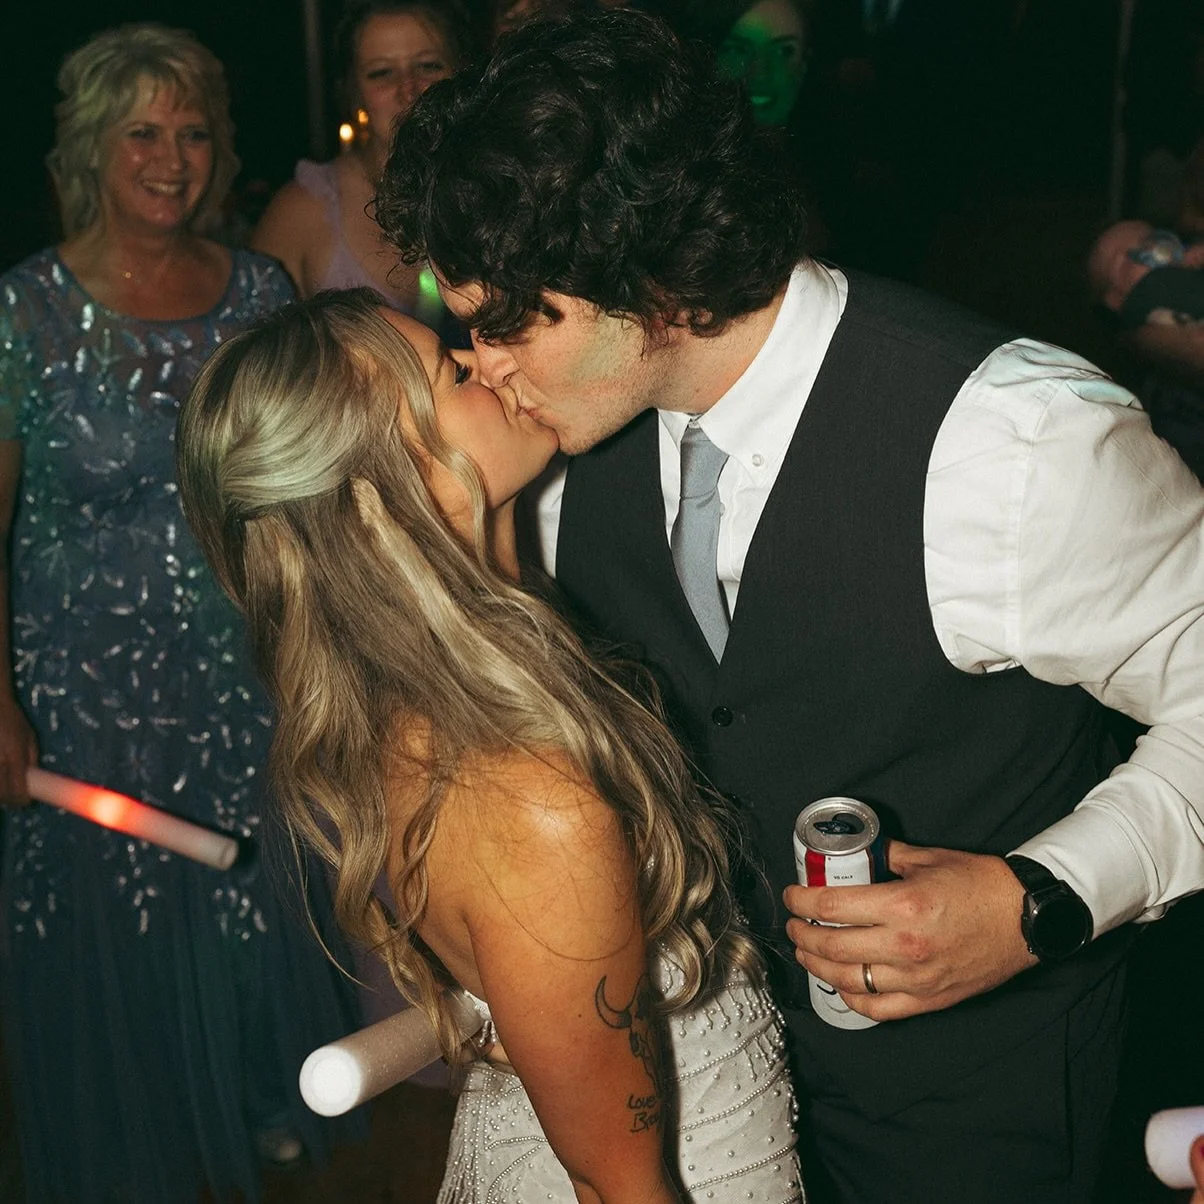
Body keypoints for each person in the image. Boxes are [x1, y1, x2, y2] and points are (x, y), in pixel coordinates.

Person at [374, 10, 1204, 1203]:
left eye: (511, 317)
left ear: (649, 280)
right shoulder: (552, 462)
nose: (480, 360)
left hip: (978, 1105)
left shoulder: (1015, 447)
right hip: (723, 1107)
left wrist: (1040, 899)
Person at [175, 287, 805, 1203]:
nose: (487, 359)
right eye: (447, 373)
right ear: (391, 489)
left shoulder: (460, 668)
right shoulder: (523, 798)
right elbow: (622, 1186)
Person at [0, 25, 359, 1203]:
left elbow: (293, 491)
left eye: (193, 131)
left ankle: (255, 1099)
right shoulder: (23, 311)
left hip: (233, 671)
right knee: (118, 935)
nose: (172, 157)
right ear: (91, 149)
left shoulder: (258, 290)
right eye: (142, 132)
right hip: (81, 692)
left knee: (248, 908)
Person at [251, 0, 473, 336]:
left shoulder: (505, 187)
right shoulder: (304, 209)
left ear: (460, 72)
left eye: (428, 65)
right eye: (382, 72)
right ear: (354, 92)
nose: (409, 89)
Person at [1087, 218, 1204, 328]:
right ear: (1114, 301)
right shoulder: (1152, 327)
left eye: (1157, 242)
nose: (1155, 255)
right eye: (1128, 260)